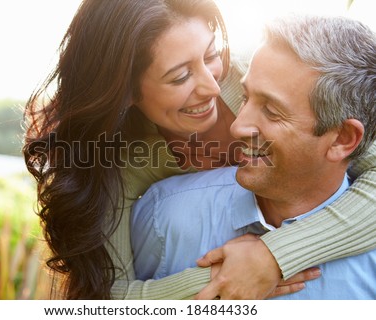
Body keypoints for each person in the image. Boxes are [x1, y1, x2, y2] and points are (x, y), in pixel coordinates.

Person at [22, 0, 376, 300]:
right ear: (126, 90)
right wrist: (222, 280)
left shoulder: (260, 77)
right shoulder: (119, 164)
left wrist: (275, 256)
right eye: (179, 77)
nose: (211, 86)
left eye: (210, 55)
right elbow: (109, 296)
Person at [132, 14, 376, 299]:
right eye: (245, 97)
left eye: (272, 112)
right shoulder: (163, 216)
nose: (237, 126)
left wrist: (277, 255)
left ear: (342, 139)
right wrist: (214, 283)